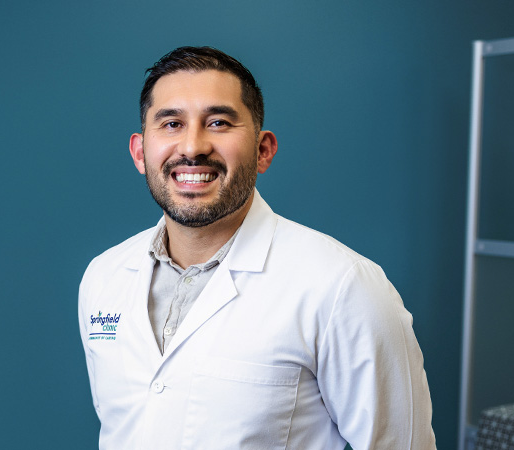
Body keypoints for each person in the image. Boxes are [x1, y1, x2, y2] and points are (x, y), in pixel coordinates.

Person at [79, 46, 436, 450]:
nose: (193, 146)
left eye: (218, 122)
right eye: (172, 123)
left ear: (263, 150)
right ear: (141, 153)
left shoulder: (343, 287)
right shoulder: (104, 278)